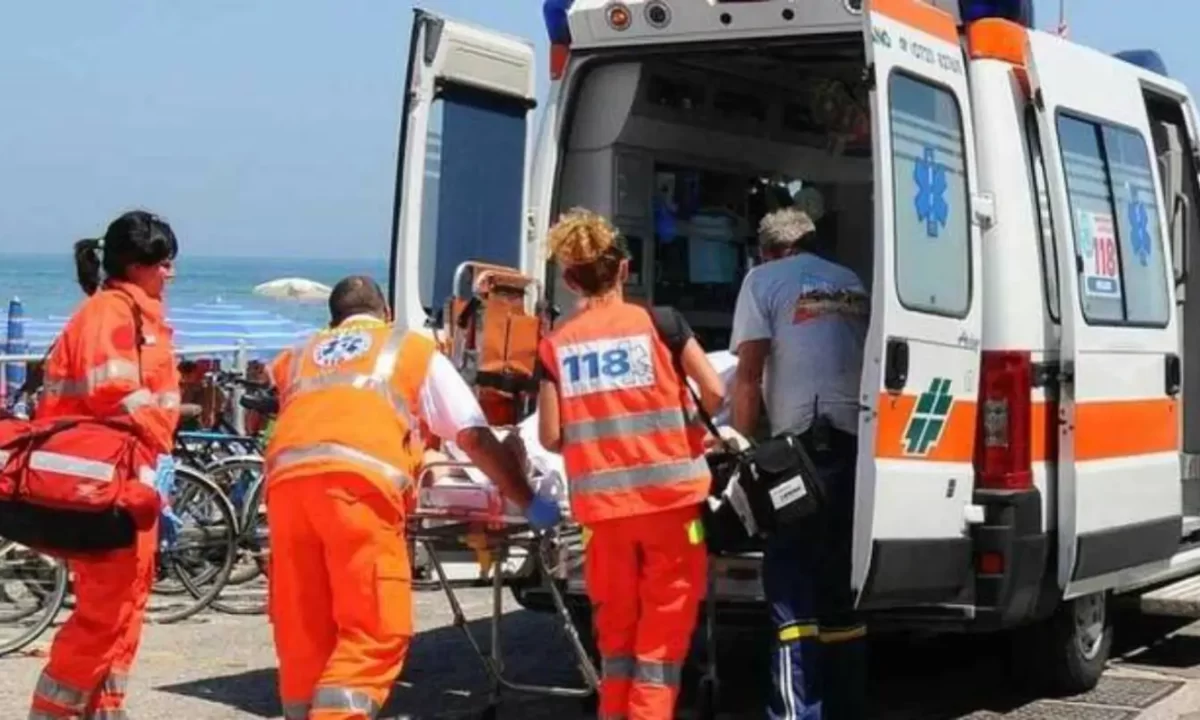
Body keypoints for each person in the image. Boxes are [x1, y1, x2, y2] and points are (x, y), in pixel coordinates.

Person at [264, 275, 560, 720]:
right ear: (386, 315)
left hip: (286, 492)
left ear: (335, 320)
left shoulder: (300, 356)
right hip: (358, 492)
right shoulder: (406, 349)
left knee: (305, 625)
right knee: (374, 629)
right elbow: (475, 438)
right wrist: (528, 500)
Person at [536, 208, 725, 720]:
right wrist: (686, 427)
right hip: (671, 507)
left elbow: (551, 435)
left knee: (616, 642)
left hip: (603, 516)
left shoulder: (556, 347)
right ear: (624, 269)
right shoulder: (659, 323)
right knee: (660, 647)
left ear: (571, 280)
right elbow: (714, 388)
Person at [29, 211, 182, 719]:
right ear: (136, 265)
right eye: (163, 263)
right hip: (107, 486)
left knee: (123, 613)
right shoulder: (112, 314)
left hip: (127, 486)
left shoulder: (129, 313)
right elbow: (112, 390)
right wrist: (163, 440)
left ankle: (105, 710)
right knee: (104, 616)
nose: (170, 273)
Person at [729, 207, 869, 719]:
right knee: (838, 587)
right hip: (856, 444)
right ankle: (847, 705)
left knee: (789, 588)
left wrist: (740, 446)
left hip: (800, 451)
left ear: (768, 250)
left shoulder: (762, 280)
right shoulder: (850, 281)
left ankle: (794, 714)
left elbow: (748, 372)